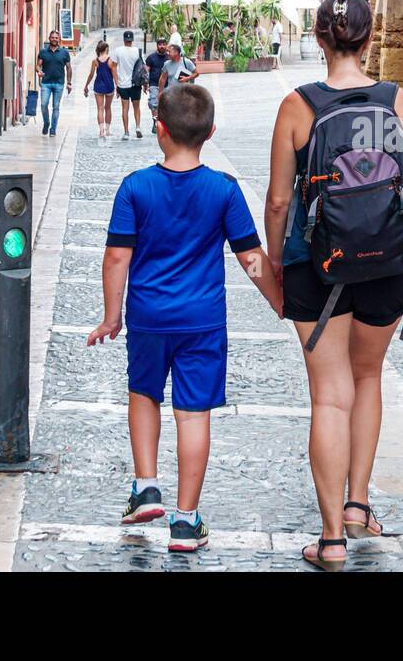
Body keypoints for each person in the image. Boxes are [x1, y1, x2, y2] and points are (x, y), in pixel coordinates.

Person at [265, 0, 403, 571]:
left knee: (329, 395)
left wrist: (276, 262)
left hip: (314, 267)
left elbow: (276, 201)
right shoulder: (402, 104)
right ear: (370, 40)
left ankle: (331, 543)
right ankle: (357, 506)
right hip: (387, 262)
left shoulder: (297, 106)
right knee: (367, 378)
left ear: (319, 39)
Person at [87, 83, 283, 553]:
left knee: (144, 394)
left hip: (149, 317)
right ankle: (186, 519)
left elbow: (116, 258)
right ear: (211, 132)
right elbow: (251, 257)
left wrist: (111, 317)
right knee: (193, 414)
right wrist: (280, 302)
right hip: (203, 322)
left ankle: (146, 486)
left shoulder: (135, 187)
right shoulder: (224, 190)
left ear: (159, 128)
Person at [36, 30, 72, 137]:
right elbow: (38, 65)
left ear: (59, 39)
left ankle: (53, 129)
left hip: (59, 84)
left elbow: (69, 68)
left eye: (56, 37)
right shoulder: (43, 52)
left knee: (56, 107)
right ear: (49, 38)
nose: (54, 39)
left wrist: (69, 83)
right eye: (52, 37)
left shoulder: (64, 53)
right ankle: (46, 123)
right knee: (43, 105)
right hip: (46, 83)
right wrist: (39, 71)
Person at [83, 40, 118, 144]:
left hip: (98, 86)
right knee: (108, 108)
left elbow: (91, 75)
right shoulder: (111, 61)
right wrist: (118, 87)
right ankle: (107, 130)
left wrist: (86, 85)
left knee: (100, 109)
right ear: (106, 49)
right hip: (109, 86)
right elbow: (115, 75)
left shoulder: (95, 61)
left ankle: (101, 131)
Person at [113, 30, 144, 140]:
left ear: (124, 39)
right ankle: (138, 127)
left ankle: (126, 132)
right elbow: (142, 69)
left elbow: (113, 67)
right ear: (132, 40)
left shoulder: (118, 51)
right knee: (137, 107)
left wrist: (116, 82)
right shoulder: (138, 51)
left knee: (125, 109)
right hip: (135, 84)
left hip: (123, 84)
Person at [146, 38, 170, 119]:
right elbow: (146, 72)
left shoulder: (169, 57)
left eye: (163, 44)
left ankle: (164, 122)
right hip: (154, 84)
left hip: (167, 85)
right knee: (154, 104)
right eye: (160, 45)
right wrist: (145, 84)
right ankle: (155, 122)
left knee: (167, 104)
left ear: (166, 45)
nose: (162, 46)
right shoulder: (151, 57)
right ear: (157, 46)